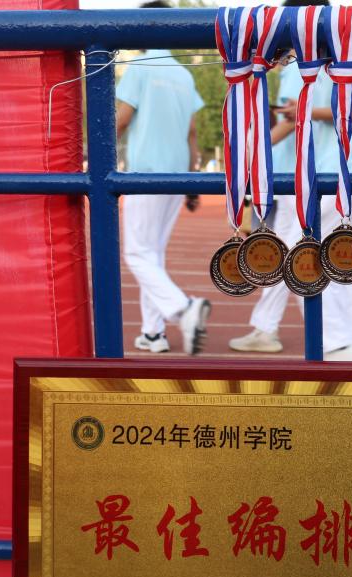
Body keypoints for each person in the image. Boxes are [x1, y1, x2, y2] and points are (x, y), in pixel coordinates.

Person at [228, 0, 352, 359]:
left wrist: (304, 111)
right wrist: (253, 152)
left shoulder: (350, 55)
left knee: (297, 251)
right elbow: (293, 120)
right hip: (334, 171)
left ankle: (336, 340)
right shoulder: (317, 61)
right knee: (348, 261)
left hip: (340, 172)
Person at [117, 0, 210, 355]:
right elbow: (192, 133)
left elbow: (122, 120)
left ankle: (184, 309)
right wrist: (192, 181)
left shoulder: (140, 67)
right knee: (151, 255)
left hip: (144, 175)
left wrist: (92, 151)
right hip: (175, 177)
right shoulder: (184, 75)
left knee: (137, 254)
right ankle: (153, 333)